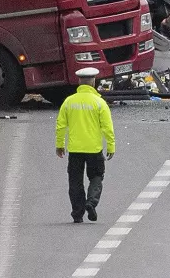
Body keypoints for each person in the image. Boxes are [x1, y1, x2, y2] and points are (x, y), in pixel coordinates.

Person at [55, 67, 116, 224]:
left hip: (75, 149)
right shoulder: (100, 103)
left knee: (75, 181)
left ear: (79, 82)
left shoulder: (69, 102)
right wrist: (111, 146)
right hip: (94, 149)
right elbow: (107, 128)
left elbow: (61, 125)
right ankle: (91, 202)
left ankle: (77, 214)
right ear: (93, 82)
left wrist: (60, 144)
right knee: (96, 176)